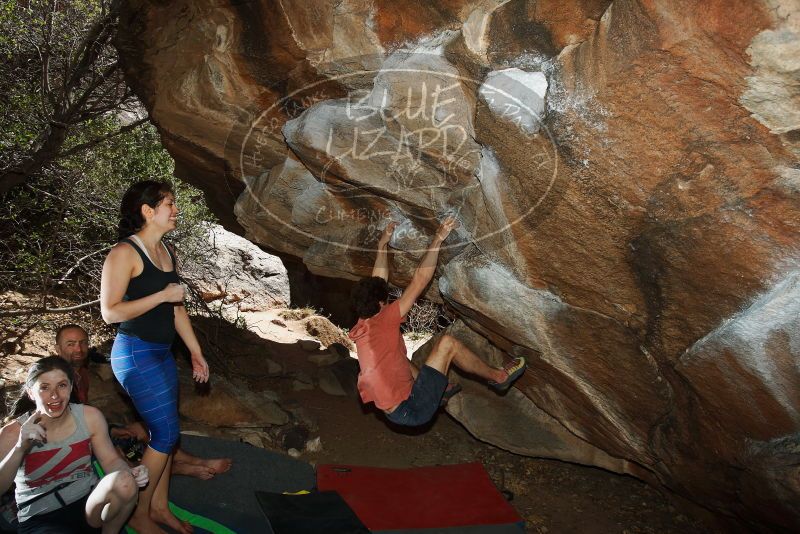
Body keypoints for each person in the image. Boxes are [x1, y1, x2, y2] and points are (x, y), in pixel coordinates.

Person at [100, 180, 209, 534]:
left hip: (161, 354)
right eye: (170, 204)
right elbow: (110, 312)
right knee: (164, 433)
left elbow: (176, 309)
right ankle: (139, 512)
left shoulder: (167, 251)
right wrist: (161, 296)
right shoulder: (123, 254)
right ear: (148, 211)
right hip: (133, 354)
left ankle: (160, 507)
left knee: (166, 433)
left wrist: (195, 352)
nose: (175, 210)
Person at [348, 218, 527, 427]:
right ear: (380, 304)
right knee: (447, 345)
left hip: (393, 410)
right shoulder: (386, 319)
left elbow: (377, 280)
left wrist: (382, 244)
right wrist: (438, 239)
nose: (388, 300)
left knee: (394, 356)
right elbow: (420, 279)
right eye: (385, 299)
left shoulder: (364, 320)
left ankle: (444, 388)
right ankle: (499, 377)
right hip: (412, 409)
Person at [55, 324, 231, 480]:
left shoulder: (80, 372)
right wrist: (103, 439)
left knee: (146, 428)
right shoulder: (58, 380)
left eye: (83, 343)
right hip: (72, 446)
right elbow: (64, 430)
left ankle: (197, 460)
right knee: (121, 462)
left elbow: (83, 416)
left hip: (90, 431)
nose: (78, 349)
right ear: (58, 349)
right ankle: (179, 469)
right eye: (70, 344)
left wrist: (111, 430)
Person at [0, 357, 149, 533]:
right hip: (40, 517)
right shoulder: (13, 433)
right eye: (45, 387)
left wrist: (130, 472)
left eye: (62, 385)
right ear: (31, 393)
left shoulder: (89, 417)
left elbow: (110, 461)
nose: (55, 395)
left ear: (71, 387)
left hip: (89, 503)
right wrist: (20, 448)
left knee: (125, 481)